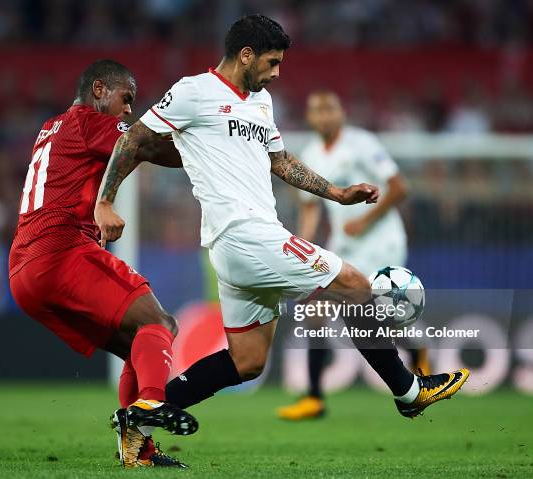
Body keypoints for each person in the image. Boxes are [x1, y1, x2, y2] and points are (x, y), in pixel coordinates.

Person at [94, 14, 469, 442]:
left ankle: (142, 416)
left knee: (247, 361)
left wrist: (337, 193)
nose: (276, 73)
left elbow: (282, 161)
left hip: (245, 242)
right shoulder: (193, 91)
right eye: (271, 62)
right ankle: (410, 391)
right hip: (242, 232)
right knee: (354, 284)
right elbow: (133, 140)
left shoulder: (261, 103)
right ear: (245, 54)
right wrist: (105, 200)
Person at [8, 59, 196, 469]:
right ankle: (149, 405)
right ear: (99, 90)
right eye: (125, 99)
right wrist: (211, 145)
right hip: (60, 252)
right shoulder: (88, 122)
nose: (129, 109)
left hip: (24, 269)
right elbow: (148, 145)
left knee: (139, 346)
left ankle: (138, 451)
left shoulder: (51, 127)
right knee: (161, 324)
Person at [277, 91, 430, 421]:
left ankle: (415, 354)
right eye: (317, 110)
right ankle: (315, 398)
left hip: (381, 239)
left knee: (374, 314)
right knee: (316, 308)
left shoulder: (362, 143)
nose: (324, 115)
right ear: (309, 117)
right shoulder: (311, 154)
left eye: (329, 108)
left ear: (341, 112)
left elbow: (399, 187)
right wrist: (301, 254)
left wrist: (365, 219)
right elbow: (309, 209)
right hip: (344, 245)